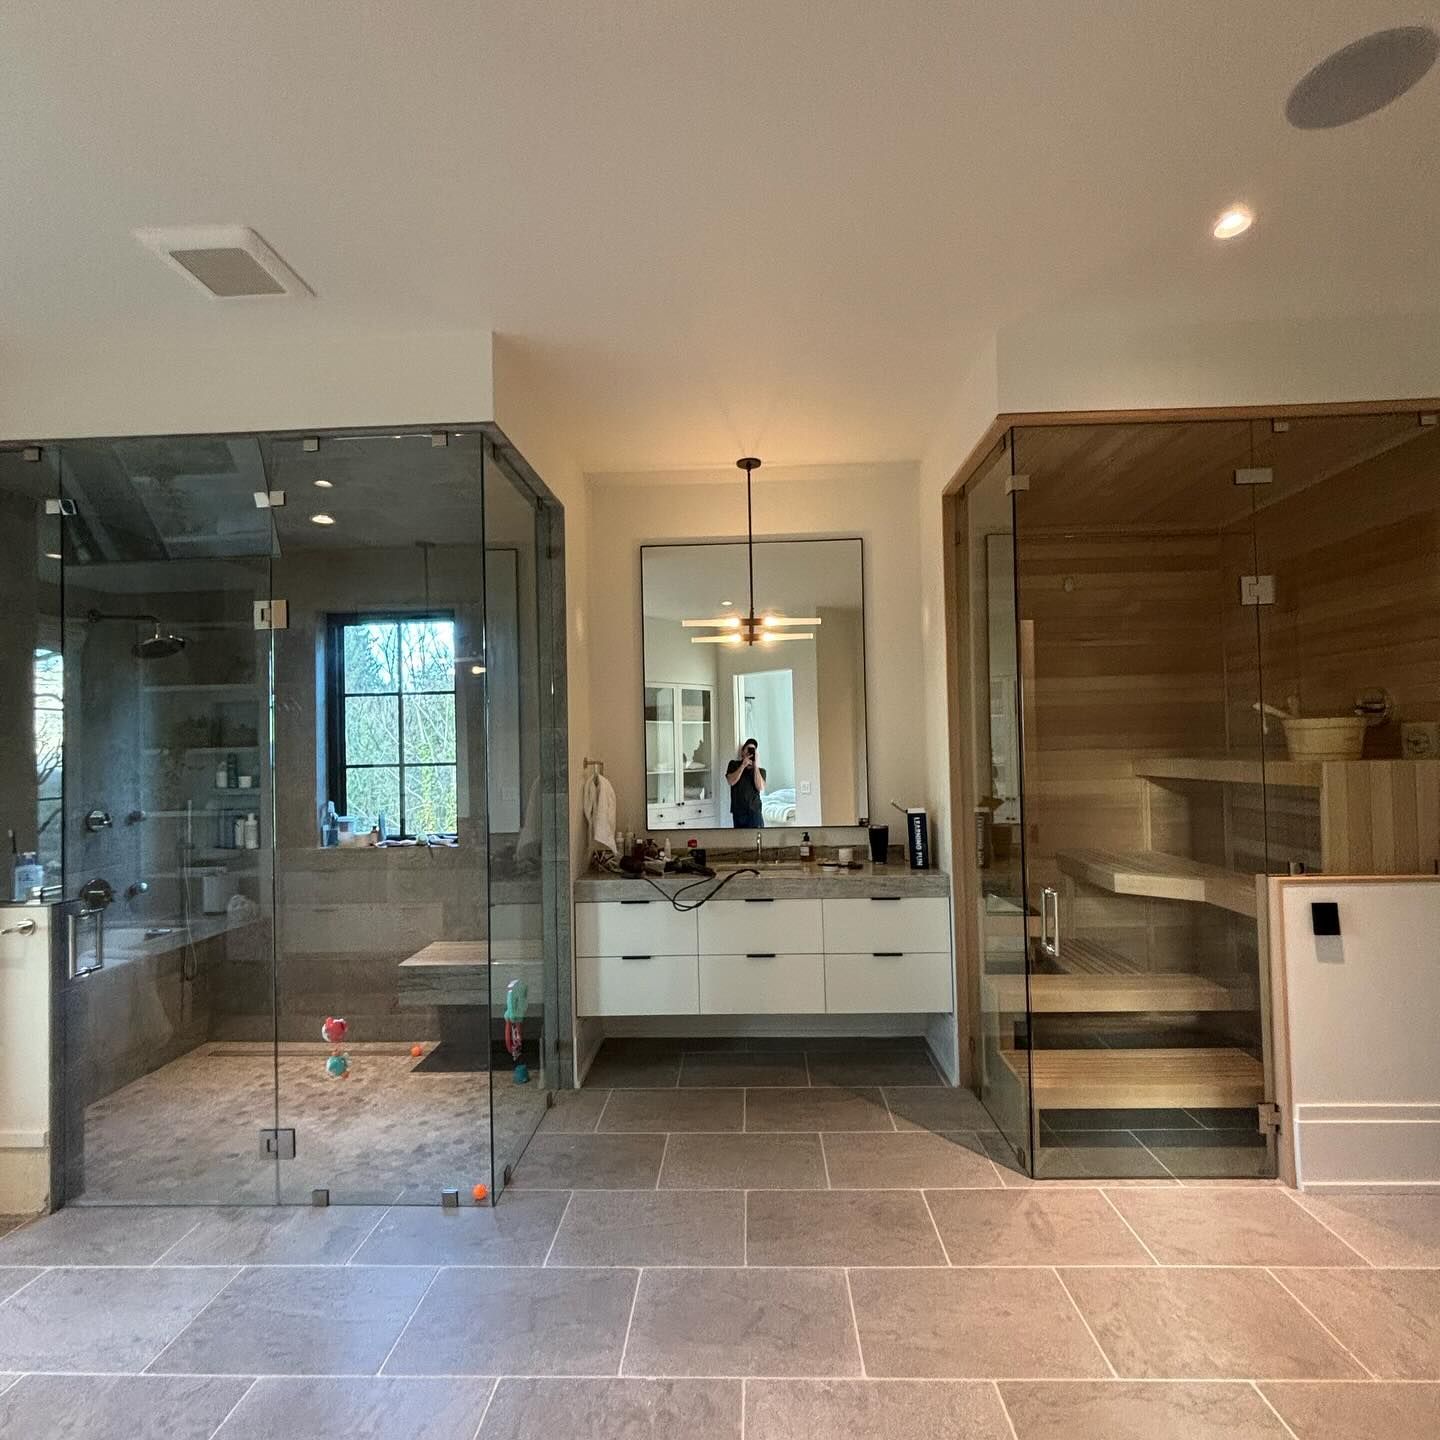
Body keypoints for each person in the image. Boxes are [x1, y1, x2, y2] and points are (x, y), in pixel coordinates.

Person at [725, 738, 767, 828]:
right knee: (739, 841)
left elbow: (760, 787)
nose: (750, 752)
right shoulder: (734, 765)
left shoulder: (761, 771)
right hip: (738, 813)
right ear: (742, 752)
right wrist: (743, 765)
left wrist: (755, 766)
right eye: (748, 749)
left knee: (756, 840)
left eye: (753, 750)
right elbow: (731, 781)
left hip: (754, 813)